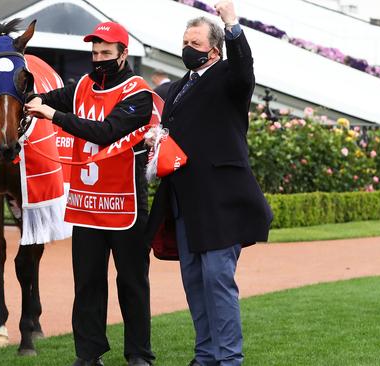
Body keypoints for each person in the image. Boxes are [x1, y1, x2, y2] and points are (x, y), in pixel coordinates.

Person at [144, 1, 273, 365]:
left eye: (196, 43)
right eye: (185, 41)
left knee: (217, 283)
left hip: (221, 202)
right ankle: (205, 357)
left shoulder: (230, 76)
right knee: (195, 284)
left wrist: (231, 22)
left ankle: (230, 360)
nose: (188, 48)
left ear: (214, 49)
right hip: (184, 202)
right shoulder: (180, 85)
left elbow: (245, 69)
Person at [26, 22, 155, 366]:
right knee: (86, 286)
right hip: (85, 205)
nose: (98, 59)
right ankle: (88, 355)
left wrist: (52, 114)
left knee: (132, 283)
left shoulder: (138, 92)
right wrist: (16, 93)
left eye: (106, 54)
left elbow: (106, 131)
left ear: (123, 54)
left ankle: (139, 354)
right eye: (94, 53)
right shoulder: (82, 84)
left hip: (125, 203)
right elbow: (41, 97)